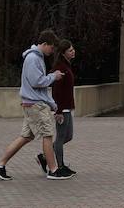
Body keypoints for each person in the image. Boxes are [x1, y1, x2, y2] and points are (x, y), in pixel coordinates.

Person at [0, 29, 69, 181]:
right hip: (35, 105)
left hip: (31, 103)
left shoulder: (35, 58)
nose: (52, 51)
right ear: (45, 44)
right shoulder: (33, 58)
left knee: (26, 136)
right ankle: (53, 170)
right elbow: (37, 82)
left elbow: (38, 84)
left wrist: (51, 103)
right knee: (47, 134)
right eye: (51, 47)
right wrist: (54, 76)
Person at [41, 39, 77, 176]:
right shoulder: (60, 68)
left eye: (73, 49)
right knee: (61, 137)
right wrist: (58, 110)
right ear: (63, 53)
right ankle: (60, 166)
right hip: (62, 108)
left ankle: (44, 157)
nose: (73, 52)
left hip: (68, 106)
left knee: (68, 136)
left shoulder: (66, 66)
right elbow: (56, 91)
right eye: (70, 50)